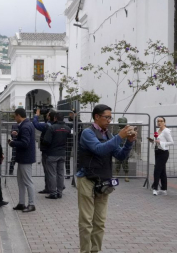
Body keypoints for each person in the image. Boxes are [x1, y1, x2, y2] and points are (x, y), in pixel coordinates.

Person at [76, 104, 136, 253]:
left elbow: (120, 155)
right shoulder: (87, 133)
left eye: (110, 117)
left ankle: (95, 250)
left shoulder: (107, 134)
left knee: (100, 222)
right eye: (107, 117)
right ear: (97, 117)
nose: (109, 120)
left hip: (103, 181)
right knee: (86, 221)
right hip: (87, 179)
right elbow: (99, 149)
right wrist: (119, 136)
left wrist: (129, 142)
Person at [8, 108, 36, 213]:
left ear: (19, 115)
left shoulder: (25, 126)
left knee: (28, 181)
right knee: (20, 181)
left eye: (15, 116)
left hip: (25, 158)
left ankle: (32, 204)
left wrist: (12, 143)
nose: (15, 118)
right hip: (23, 158)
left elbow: (25, 143)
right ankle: (21, 203)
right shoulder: (26, 125)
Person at [43, 112, 70, 199]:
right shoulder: (67, 128)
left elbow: (46, 141)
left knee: (52, 174)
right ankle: (60, 192)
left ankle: (53, 193)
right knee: (61, 173)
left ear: (55, 118)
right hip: (62, 153)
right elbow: (69, 140)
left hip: (52, 153)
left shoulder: (52, 128)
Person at [32, 108, 55, 194]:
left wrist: (37, 115)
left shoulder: (46, 126)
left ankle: (50, 188)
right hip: (55, 150)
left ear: (49, 116)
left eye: (47, 114)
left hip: (47, 151)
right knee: (54, 171)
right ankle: (55, 187)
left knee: (48, 171)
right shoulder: (56, 125)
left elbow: (36, 124)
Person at [150, 117, 174, 196]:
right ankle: (164, 189)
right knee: (162, 171)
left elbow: (171, 142)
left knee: (157, 170)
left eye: (161, 121)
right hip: (157, 151)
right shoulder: (157, 131)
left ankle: (155, 188)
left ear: (164, 122)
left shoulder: (166, 131)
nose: (159, 122)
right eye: (158, 121)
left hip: (163, 152)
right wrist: (153, 141)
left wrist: (161, 143)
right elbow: (156, 139)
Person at [66, 110, 82, 179]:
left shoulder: (79, 121)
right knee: (67, 157)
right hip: (68, 140)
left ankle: (76, 173)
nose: (71, 114)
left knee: (77, 157)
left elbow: (81, 130)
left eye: (73, 113)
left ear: (76, 114)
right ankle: (68, 173)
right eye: (70, 113)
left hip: (76, 140)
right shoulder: (67, 121)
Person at [114, 117, 130, 182]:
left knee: (125, 163)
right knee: (117, 163)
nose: (119, 124)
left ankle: (126, 175)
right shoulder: (117, 130)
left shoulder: (127, 130)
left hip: (125, 148)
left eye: (120, 122)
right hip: (118, 148)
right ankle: (116, 175)